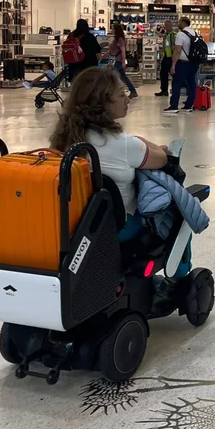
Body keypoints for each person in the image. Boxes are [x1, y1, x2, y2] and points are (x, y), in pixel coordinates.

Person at [48, 66, 187, 287]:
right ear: (102, 104)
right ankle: (180, 274)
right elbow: (161, 159)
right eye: (120, 94)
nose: (127, 98)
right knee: (178, 213)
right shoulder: (123, 145)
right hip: (118, 226)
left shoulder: (65, 139)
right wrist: (146, 143)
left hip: (74, 224)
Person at [164, 17, 199, 115]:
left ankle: (174, 106)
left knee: (176, 84)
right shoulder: (194, 33)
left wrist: (173, 65)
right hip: (193, 63)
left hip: (182, 63)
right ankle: (189, 105)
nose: (178, 24)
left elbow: (177, 51)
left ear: (183, 23)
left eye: (179, 22)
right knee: (192, 84)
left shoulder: (180, 34)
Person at [105, 24, 138, 99]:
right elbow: (111, 51)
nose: (112, 30)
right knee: (123, 77)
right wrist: (103, 56)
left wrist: (123, 62)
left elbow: (123, 51)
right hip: (114, 60)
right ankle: (132, 91)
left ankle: (115, 92)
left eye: (113, 29)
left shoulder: (119, 39)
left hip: (117, 61)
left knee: (113, 77)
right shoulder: (116, 39)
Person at [155, 20, 176, 98]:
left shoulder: (173, 35)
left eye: (167, 25)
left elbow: (174, 47)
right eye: (165, 25)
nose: (166, 27)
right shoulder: (166, 34)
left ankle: (177, 88)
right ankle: (164, 90)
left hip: (170, 57)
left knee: (172, 74)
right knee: (163, 74)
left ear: (171, 26)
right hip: (166, 56)